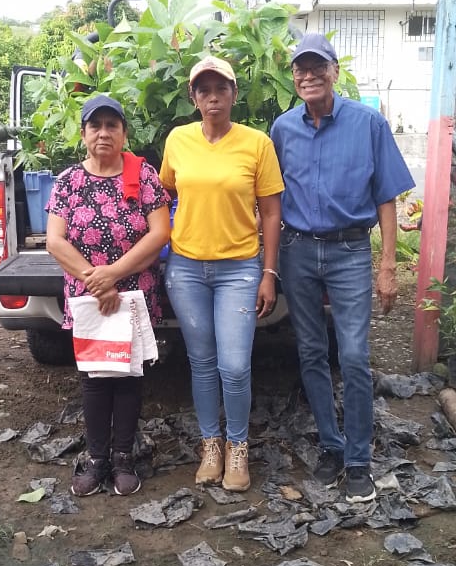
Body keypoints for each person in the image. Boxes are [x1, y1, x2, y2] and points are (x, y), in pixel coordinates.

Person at [270, 33, 414, 503]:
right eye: (301, 68)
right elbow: (269, 198)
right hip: (296, 250)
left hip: (350, 251)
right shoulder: (282, 129)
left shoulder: (368, 123)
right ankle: (331, 448)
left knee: (352, 355)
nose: (309, 75)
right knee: (311, 350)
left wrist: (387, 265)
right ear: (293, 76)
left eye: (318, 67)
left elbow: (386, 196)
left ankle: (358, 460)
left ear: (334, 71)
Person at [159, 54, 284, 493]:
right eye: (204, 90)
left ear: (233, 94)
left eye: (221, 89)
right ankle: (210, 444)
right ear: (194, 98)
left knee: (233, 365)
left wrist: (269, 272)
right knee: (201, 362)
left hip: (240, 269)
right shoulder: (178, 140)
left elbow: (272, 212)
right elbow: (165, 193)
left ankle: (238, 446)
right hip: (186, 268)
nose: (213, 98)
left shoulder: (256, 144)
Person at [46, 94, 171, 497]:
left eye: (111, 125)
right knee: (95, 379)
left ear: (123, 133)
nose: (103, 133)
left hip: (132, 293)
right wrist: (95, 280)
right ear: (83, 134)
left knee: (129, 375)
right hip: (88, 296)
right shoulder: (69, 181)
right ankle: (97, 459)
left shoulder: (143, 175)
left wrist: (113, 274)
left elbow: (160, 233)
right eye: (95, 126)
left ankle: (123, 458)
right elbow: (55, 241)